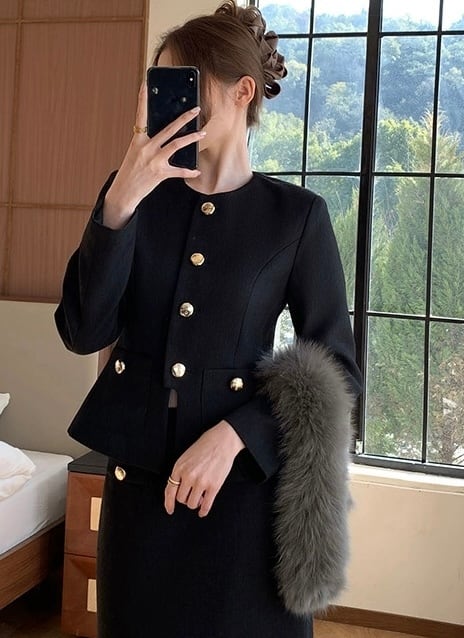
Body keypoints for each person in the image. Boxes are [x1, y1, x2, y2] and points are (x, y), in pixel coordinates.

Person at [55, 2, 362, 637]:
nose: (172, 105)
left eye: (187, 86)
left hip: (243, 497)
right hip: (138, 497)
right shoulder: (132, 194)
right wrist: (120, 201)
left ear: (242, 91)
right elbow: (83, 331)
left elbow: (338, 371)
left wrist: (237, 435)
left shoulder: (296, 217)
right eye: (162, 86)